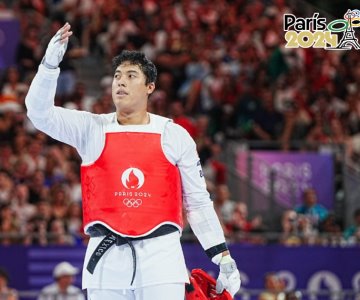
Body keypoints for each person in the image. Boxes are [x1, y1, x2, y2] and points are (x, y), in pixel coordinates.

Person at [25, 23, 240, 300]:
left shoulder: (174, 135)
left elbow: (197, 202)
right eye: (116, 76)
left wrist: (222, 256)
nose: (120, 82)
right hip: (105, 259)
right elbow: (38, 113)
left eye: (130, 75)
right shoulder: (91, 128)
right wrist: (49, 65)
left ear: (150, 86)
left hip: (162, 259)